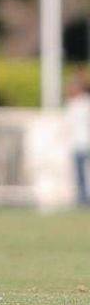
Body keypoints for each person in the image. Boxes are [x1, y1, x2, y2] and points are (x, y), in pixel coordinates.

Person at [66, 71, 90, 207]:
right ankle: (82, 199)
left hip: (86, 143)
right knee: (79, 174)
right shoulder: (72, 104)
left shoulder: (86, 103)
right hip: (76, 144)